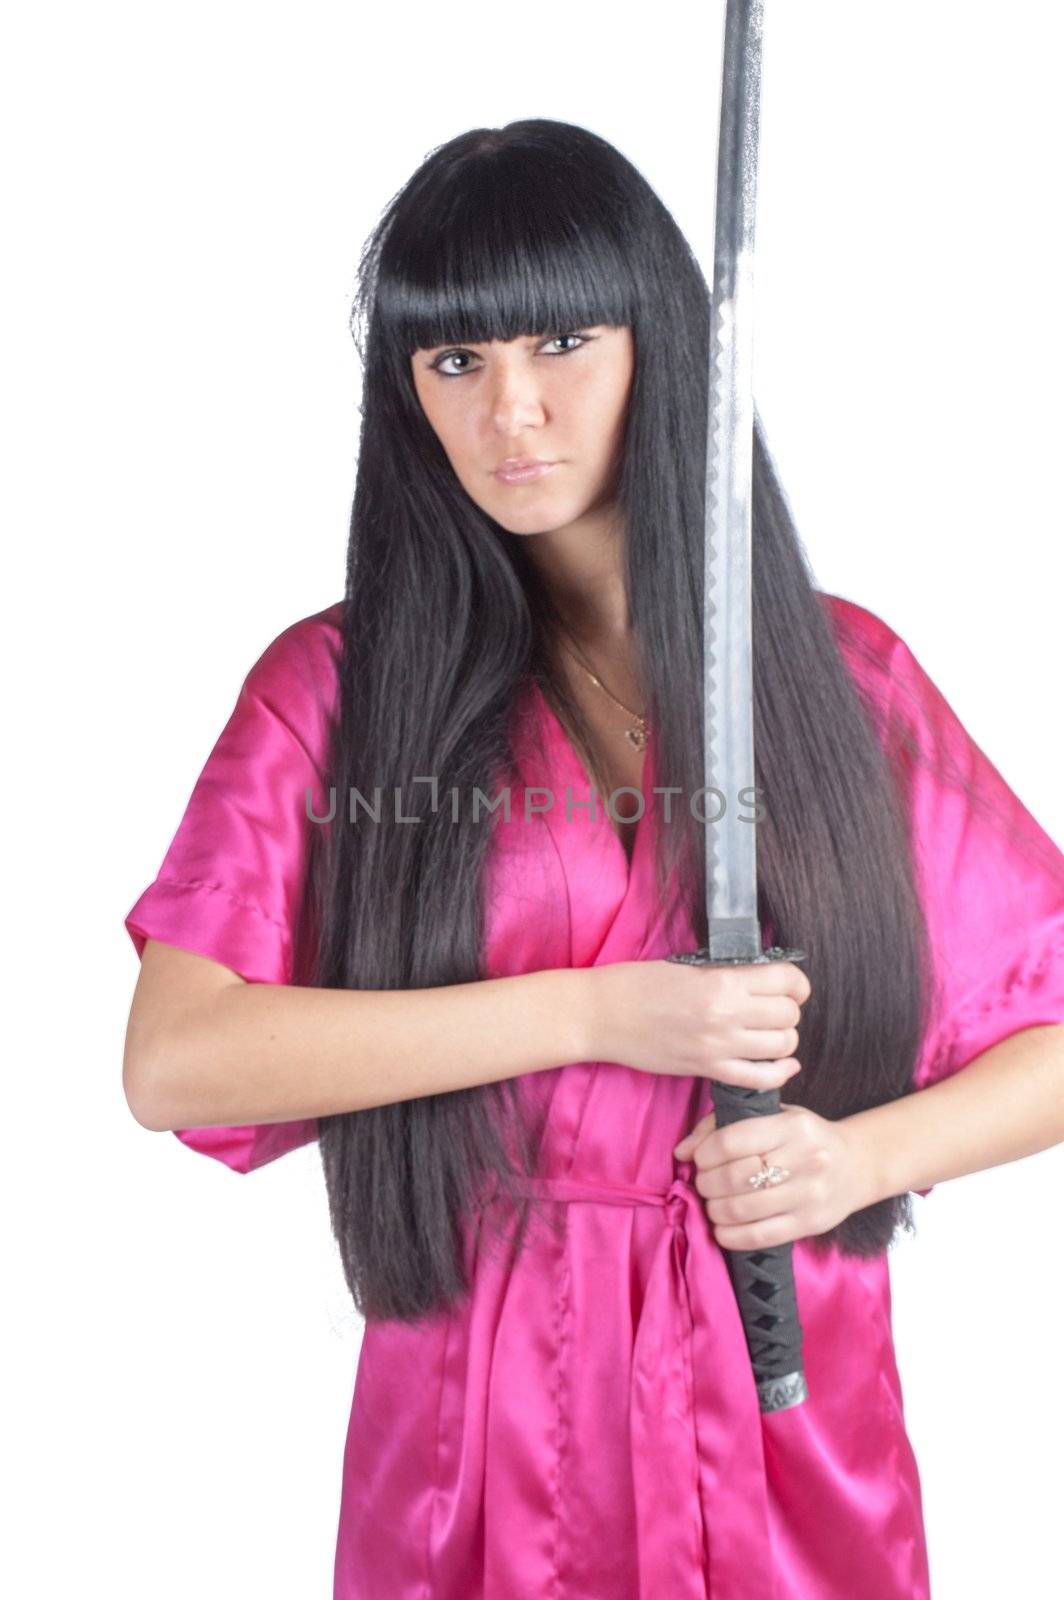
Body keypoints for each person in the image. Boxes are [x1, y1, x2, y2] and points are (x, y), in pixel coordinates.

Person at [122, 119, 1064, 1600]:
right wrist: (597, 1010)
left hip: (784, 1400)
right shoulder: (340, 693)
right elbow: (178, 1059)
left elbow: (1051, 1024)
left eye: (563, 340)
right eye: (455, 363)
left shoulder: (840, 682)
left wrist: (854, 1161)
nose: (513, 410)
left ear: (660, 346)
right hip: (476, 1418)